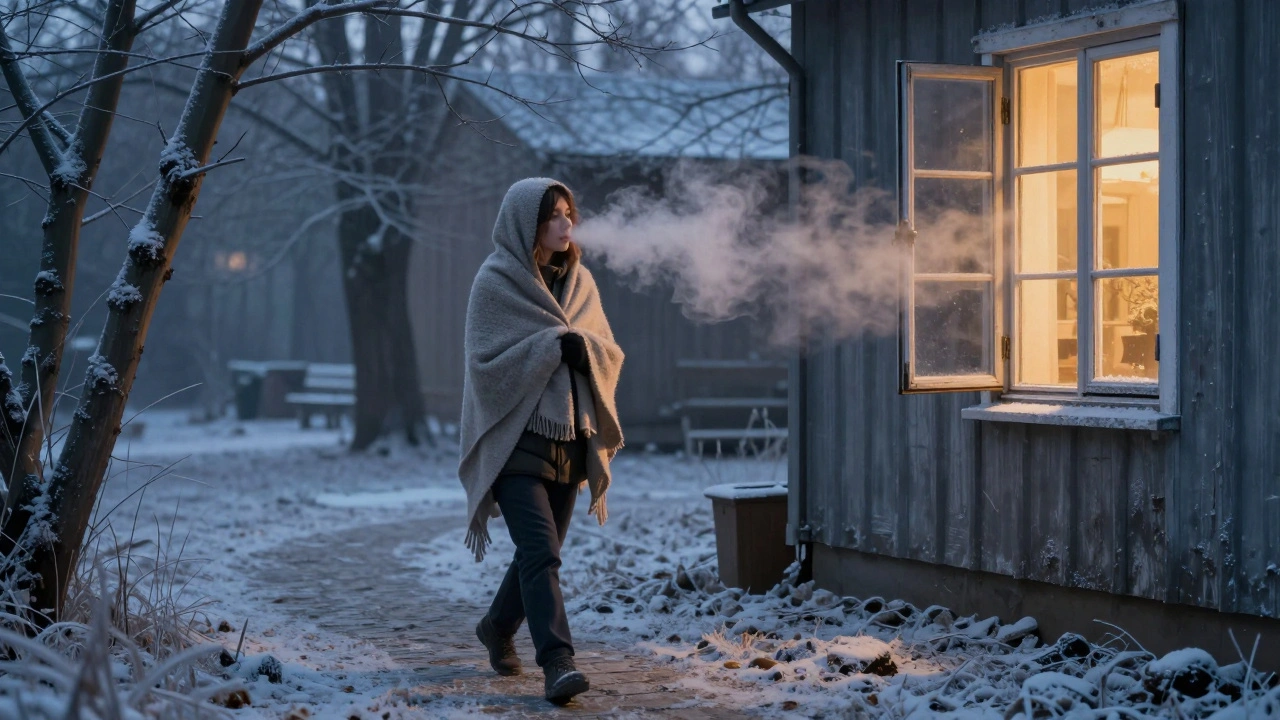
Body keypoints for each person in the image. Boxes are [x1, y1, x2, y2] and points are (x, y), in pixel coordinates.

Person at [457, 178, 625, 704]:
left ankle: (496, 628)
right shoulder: (496, 282)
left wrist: (585, 352)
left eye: (569, 212)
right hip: (515, 445)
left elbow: (610, 352)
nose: (565, 223)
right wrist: (553, 345)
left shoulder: (583, 283)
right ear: (525, 223)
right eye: (553, 215)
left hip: (570, 443)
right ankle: (558, 662)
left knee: (538, 554)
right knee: (541, 554)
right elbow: (485, 367)